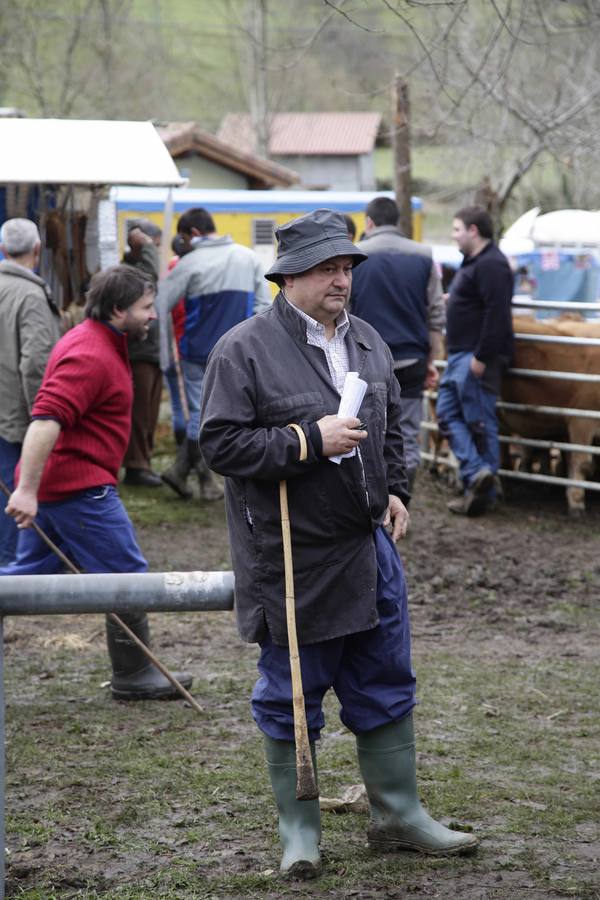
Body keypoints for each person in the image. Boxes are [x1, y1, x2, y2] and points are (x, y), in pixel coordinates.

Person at [199, 209, 477, 879]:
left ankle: (399, 815)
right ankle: (300, 830)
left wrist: (396, 489)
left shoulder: (369, 343)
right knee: (292, 692)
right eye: (328, 268)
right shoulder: (244, 348)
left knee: (385, 678)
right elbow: (220, 444)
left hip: (367, 546)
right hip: (293, 555)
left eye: (347, 267)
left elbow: (389, 429)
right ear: (288, 275)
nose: (342, 280)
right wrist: (306, 440)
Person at [0, 265, 192, 701]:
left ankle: (134, 672)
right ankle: (134, 674)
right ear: (118, 308)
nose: (153, 316)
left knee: (22, 580)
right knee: (127, 576)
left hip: (64, 486)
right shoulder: (89, 353)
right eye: (146, 308)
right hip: (78, 491)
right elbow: (45, 419)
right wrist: (26, 491)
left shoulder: (103, 340)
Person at [157, 206, 272, 501]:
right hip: (239, 351)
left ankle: (184, 471)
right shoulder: (248, 257)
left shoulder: (189, 262)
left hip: (196, 350)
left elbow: (160, 304)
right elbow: (263, 305)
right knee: (235, 412)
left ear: (193, 233)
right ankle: (204, 480)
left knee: (201, 413)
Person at [351, 197, 445, 492]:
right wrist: (432, 359)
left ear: (369, 222)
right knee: (407, 434)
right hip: (412, 358)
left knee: (365, 430)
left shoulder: (356, 256)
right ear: (398, 221)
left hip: (365, 359)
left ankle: (373, 498)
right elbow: (436, 311)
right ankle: (403, 500)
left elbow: (346, 308)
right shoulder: (424, 255)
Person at [436, 205, 514, 516]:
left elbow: (497, 314)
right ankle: (477, 472)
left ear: (472, 231)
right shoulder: (475, 263)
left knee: (479, 423)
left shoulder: (492, 264)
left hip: (474, 356)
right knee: (446, 414)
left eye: (456, 229)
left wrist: (482, 356)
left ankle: (482, 494)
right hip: (461, 354)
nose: (453, 236)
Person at [0, 218, 62, 565]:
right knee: (13, 497)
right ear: (37, 250)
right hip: (16, 419)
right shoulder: (31, 295)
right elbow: (36, 364)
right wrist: (43, 418)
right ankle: (9, 578)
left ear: (3, 250)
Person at [121, 219, 163, 487]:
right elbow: (151, 278)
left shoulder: (135, 268)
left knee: (149, 411)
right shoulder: (131, 272)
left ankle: (143, 462)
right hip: (139, 352)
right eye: (153, 245)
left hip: (150, 351)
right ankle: (136, 466)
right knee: (139, 412)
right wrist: (146, 247)